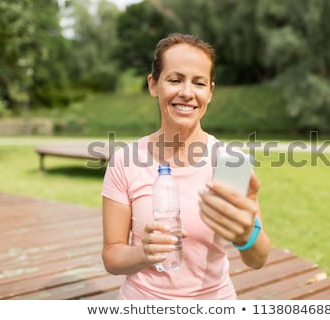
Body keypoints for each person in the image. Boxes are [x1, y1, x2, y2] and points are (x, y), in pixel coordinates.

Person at [101, 33, 271, 299]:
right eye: (175, 80)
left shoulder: (230, 162)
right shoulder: (125, 161)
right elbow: (112, 255)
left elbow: (258, 259)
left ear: (210, 92)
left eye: (199, 83)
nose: (187, 93)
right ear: (153, 84)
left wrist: (246, 233)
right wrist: (143, 253)